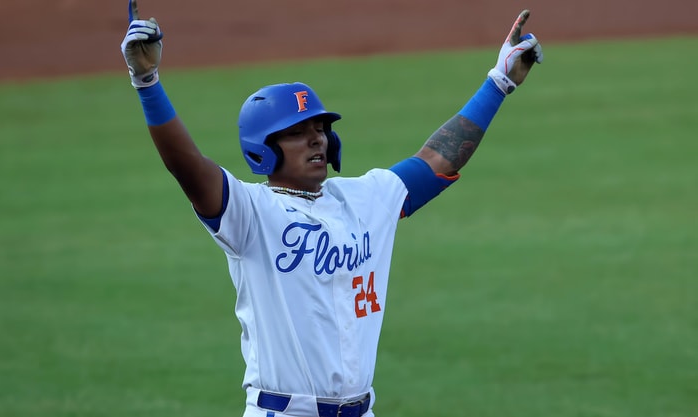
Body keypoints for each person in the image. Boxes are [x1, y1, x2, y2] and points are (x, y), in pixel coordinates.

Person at [121, 1, 543, 416]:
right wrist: (148, 81)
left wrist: (498, 84)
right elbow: (187, 168)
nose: (317, 139)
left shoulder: (365, 198)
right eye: (297, 133)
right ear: (263, 150)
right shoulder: (249, 213)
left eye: (320, 128)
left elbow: (438, 160)